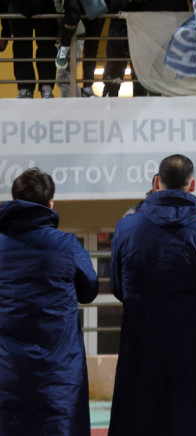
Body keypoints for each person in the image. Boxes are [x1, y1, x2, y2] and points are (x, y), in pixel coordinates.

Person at [109, 154, 196, 436]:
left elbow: (117, 287)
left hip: (140, 342)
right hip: (190, 346)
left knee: (138, 416)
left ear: (156, 183)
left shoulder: (127, 228)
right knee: (187, 417)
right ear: (192, 185)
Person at [0, 167, 97, 435]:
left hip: (7, 370)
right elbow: (89, 290)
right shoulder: (67, 245)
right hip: (59, 371)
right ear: (50, 203)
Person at [102, 0, 149, 97]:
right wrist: (127, 2)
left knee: (140, 79)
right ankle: (107, 109)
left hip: (142, 36)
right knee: (113, 77)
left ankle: (141, 110)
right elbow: (110, 6)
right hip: (118, 36)